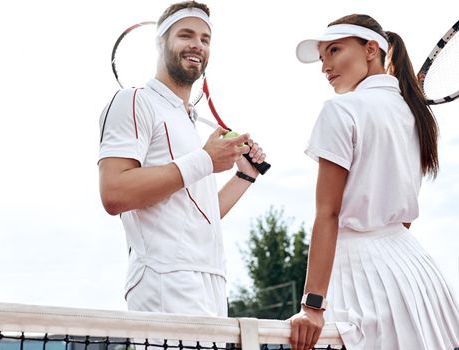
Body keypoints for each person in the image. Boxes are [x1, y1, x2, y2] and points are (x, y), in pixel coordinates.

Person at [289, 14, 459, 350]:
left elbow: (328, 214)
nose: (326, 66)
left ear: (371, 49)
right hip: (419, 276)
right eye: (323, 58)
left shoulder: (340, 111)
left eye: (334, 50)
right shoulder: (415, 115)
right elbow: (404, 217)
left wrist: (312, 307)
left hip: (361, 282)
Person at [98, 1, 266, 318]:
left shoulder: (189, 120)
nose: (197, 45)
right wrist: (205, 159)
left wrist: (244, 176)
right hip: (163, 281)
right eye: (185, 35)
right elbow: (114, 193)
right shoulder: (133, 100)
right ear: (160, 43)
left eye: (205, 39)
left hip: (212, 281)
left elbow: (200, 214)